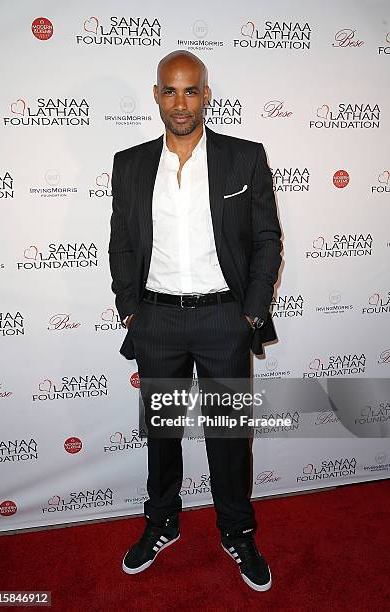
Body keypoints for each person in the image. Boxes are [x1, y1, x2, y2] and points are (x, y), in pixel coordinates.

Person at [108, 50, 282, 592]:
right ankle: (161, 523)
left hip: (222, 319)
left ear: (206, 94)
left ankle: (237, 530)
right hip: (156, 319)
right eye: (169, 91)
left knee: (229, 436)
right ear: (156, 95)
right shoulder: (130, 163)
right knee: (161, 433)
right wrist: (130, 308)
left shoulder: (243, 157)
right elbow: (122, 243)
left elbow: (266, 240)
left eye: (190, 90)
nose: (180, 103)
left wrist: (249, 313)